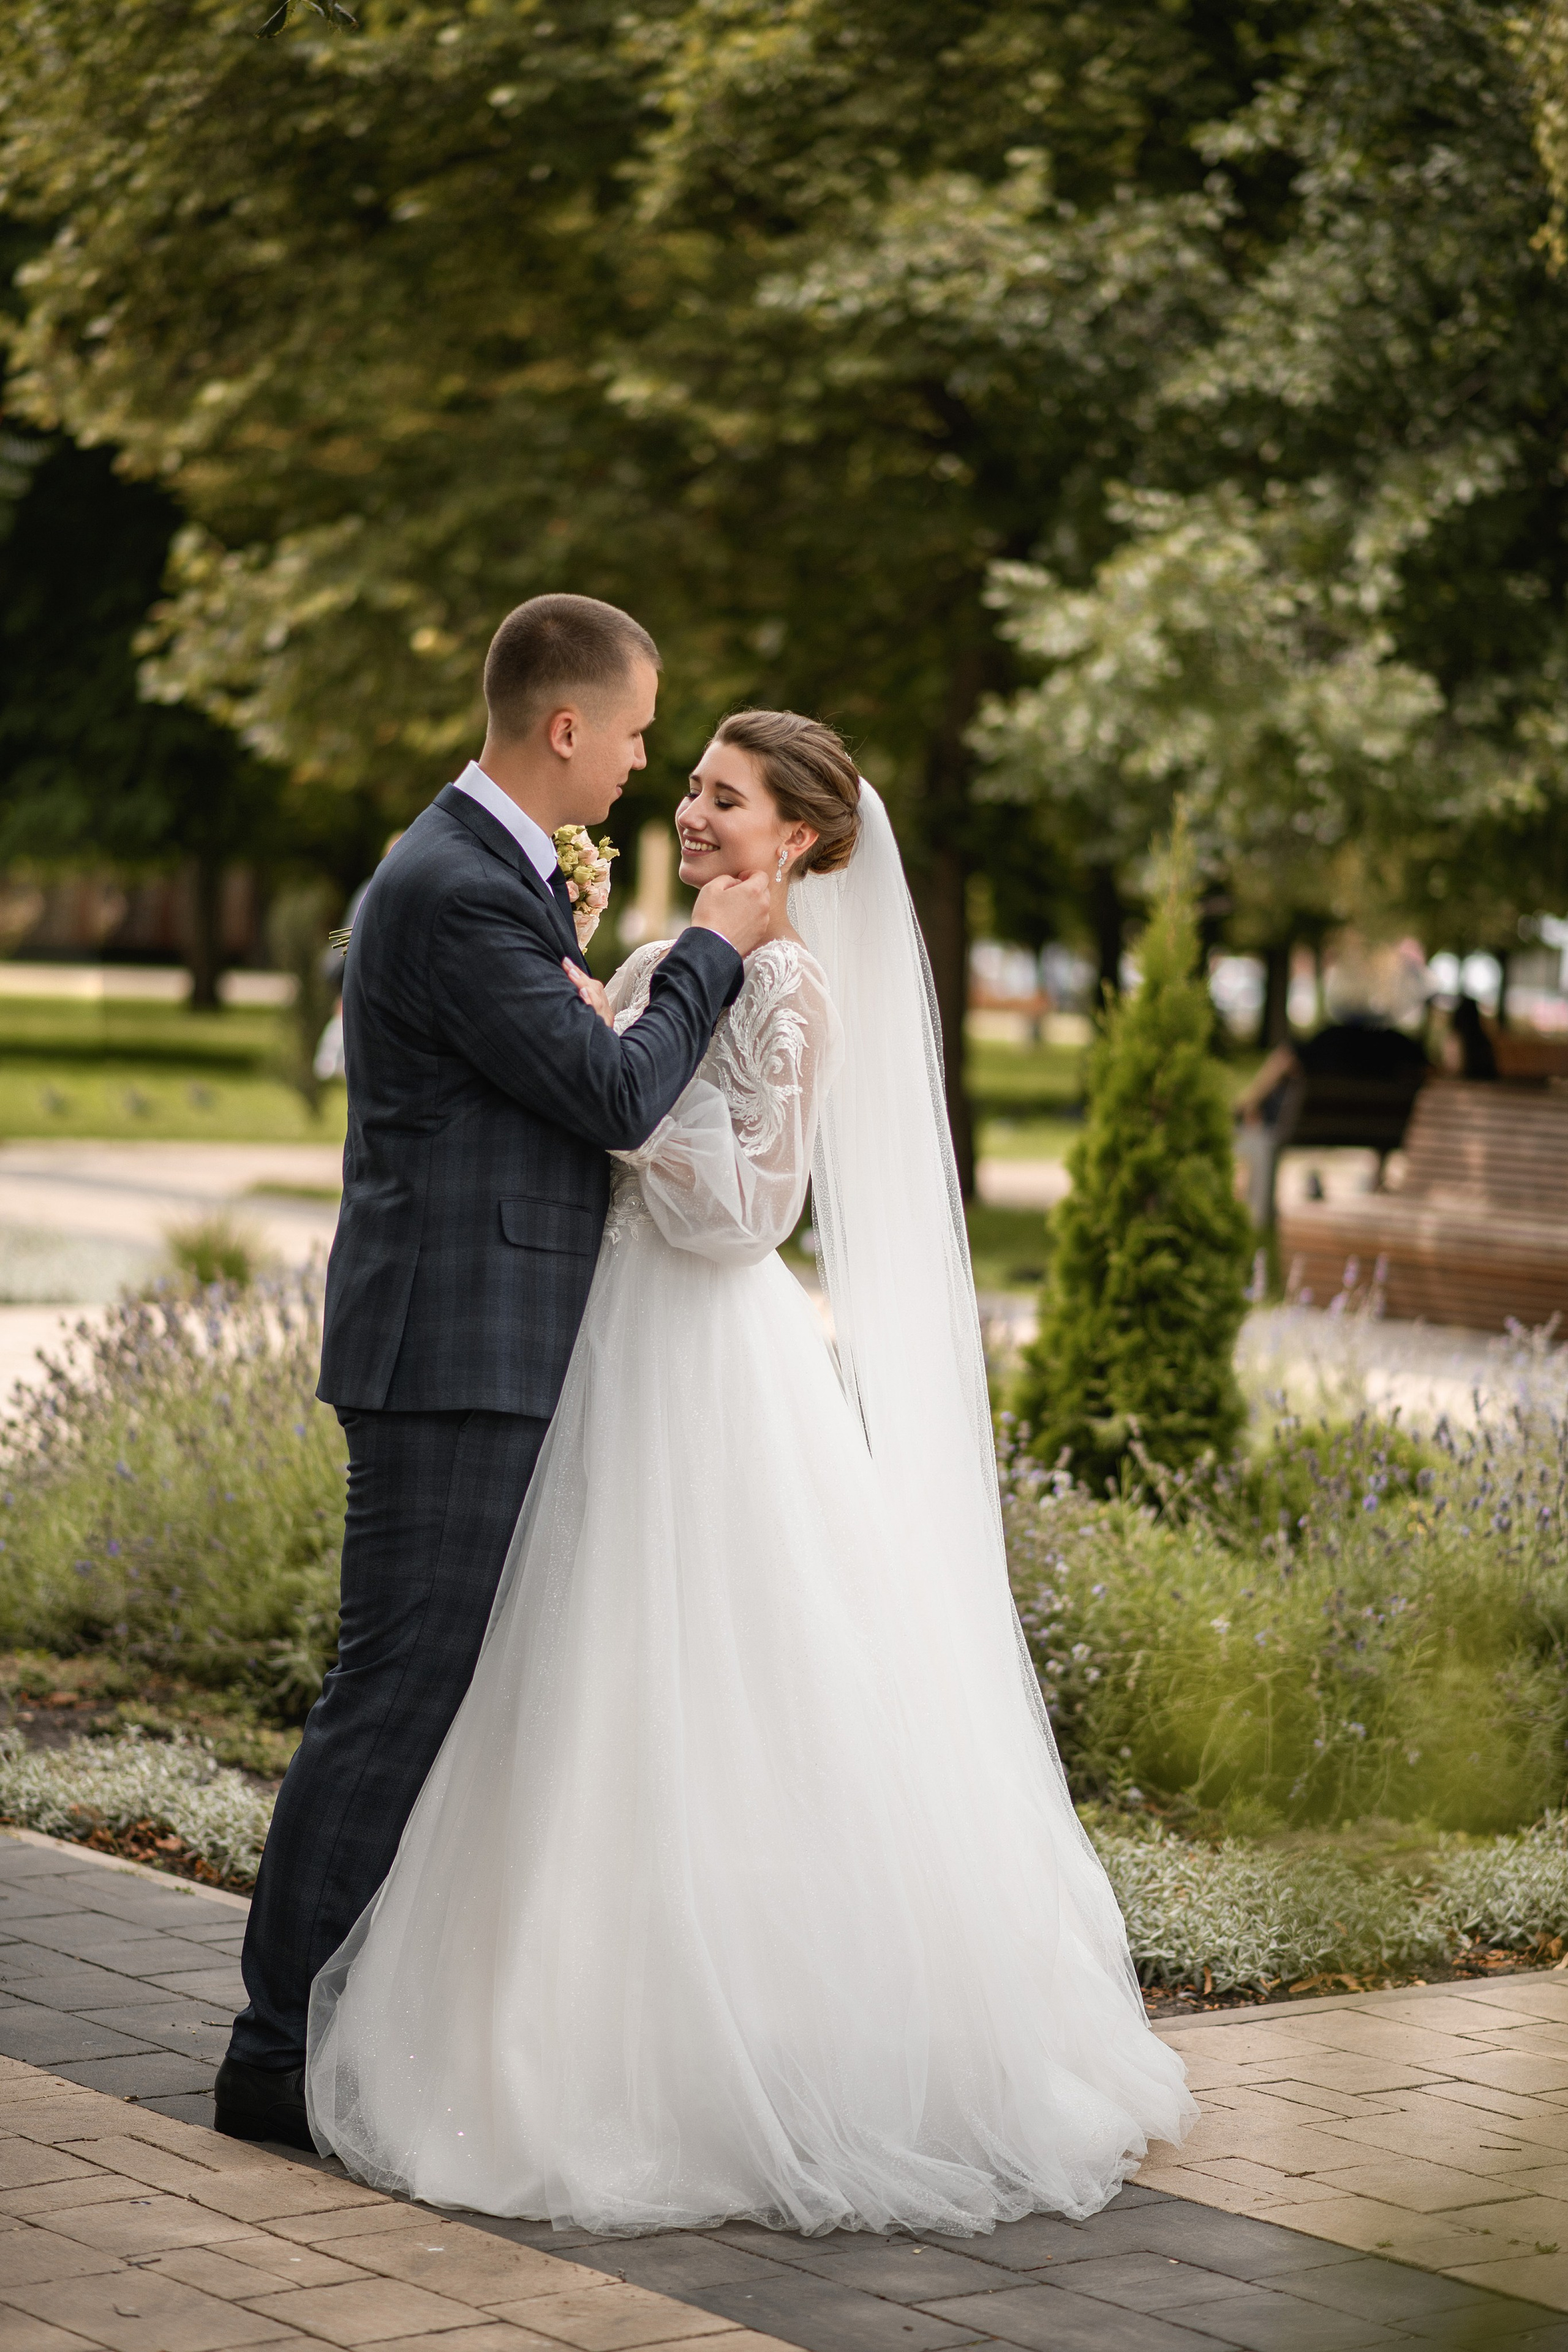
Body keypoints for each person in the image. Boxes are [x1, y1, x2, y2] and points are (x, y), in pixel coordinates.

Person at [304, 710, 1194, 2234]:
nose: (693, 812)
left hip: (702, 1358)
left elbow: (748, 1212)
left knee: (700, 1683)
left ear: (799, 838)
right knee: (569, 1680)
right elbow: (586, 1081)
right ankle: (543, 2018)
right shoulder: (669, 953)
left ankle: (731, 2051)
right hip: (593, 1339)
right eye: (692, 786)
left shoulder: (784, 984)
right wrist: (598, 1050)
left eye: (726, 797)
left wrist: (622, 1116)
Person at [214, 595, 772, 2150]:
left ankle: (348, 2029)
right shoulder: (458, 887)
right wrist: (712, 954)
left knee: (424, 1694)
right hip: (454, 1346)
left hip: (481, 1334)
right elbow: (613, 1094)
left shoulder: (486, 875)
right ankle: (273, 2054)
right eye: (639, 732)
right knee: (394, 1695)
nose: (647, 762)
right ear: (566, 726)